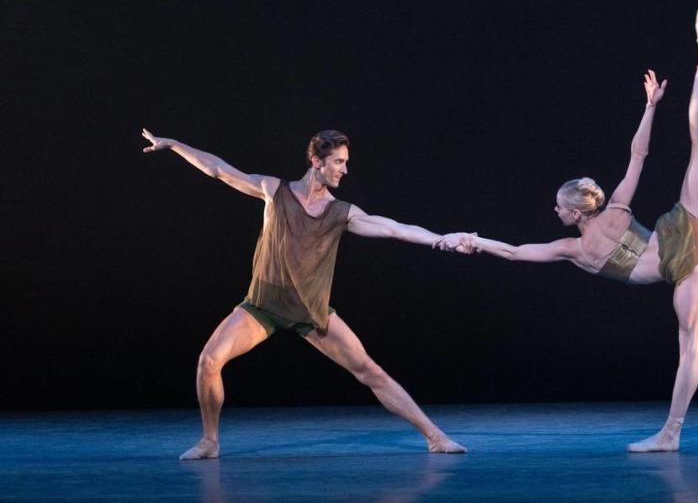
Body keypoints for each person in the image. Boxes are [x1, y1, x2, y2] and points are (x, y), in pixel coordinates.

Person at [461, 6, 698, 452]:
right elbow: (638, 155)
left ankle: (670, 434)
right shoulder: (617, 207)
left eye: (559, 207)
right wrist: (650, 108)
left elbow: (517, 252)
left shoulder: (573, 250)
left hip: (682, 267)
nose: (555, 210)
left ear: (576, 213)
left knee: (689, 344)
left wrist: (475, 241)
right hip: (685, 233)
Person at [142, 129, 469, 459]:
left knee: (371, 372)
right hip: (263, 306)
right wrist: (174, 145)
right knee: (208, 361)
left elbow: (394, 228)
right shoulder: (274, 191)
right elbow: (218, 169)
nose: (345, 169)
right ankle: (209, 441)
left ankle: (435, 437)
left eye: (345, 163)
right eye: (339, 162)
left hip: (311, 312)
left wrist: (441, 238)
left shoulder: (341, 212)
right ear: (317, 162)